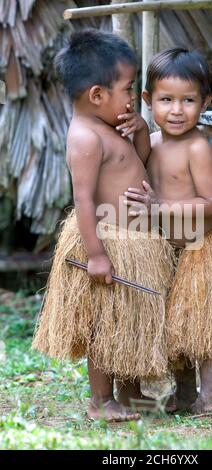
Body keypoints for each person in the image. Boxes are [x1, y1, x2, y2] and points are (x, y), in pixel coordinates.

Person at [32, 30, 175, 422]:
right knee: (105, 325)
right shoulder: (85, 137)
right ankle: (100, 400)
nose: (132, 99)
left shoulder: (112, 125)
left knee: (128, 321)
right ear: (97, 94)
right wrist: (96, 255)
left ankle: (130, 396)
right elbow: (83, 200)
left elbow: (139, 162)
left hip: (133, 242)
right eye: (128, 89)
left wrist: (142, 131)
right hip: (107, 242)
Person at [124, 47, 212, 413]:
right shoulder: (150, 143)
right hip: (169, 247)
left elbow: (210, 203)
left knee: (198, 321)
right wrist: (136, 131)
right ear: (149, 101)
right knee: (173, 324)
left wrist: (159, 208)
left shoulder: (197, 147)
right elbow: (131, 162)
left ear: (206, 102)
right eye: (166, 100)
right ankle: (183, 392)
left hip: (202, 245)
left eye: (188, 100)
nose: (177, 110)